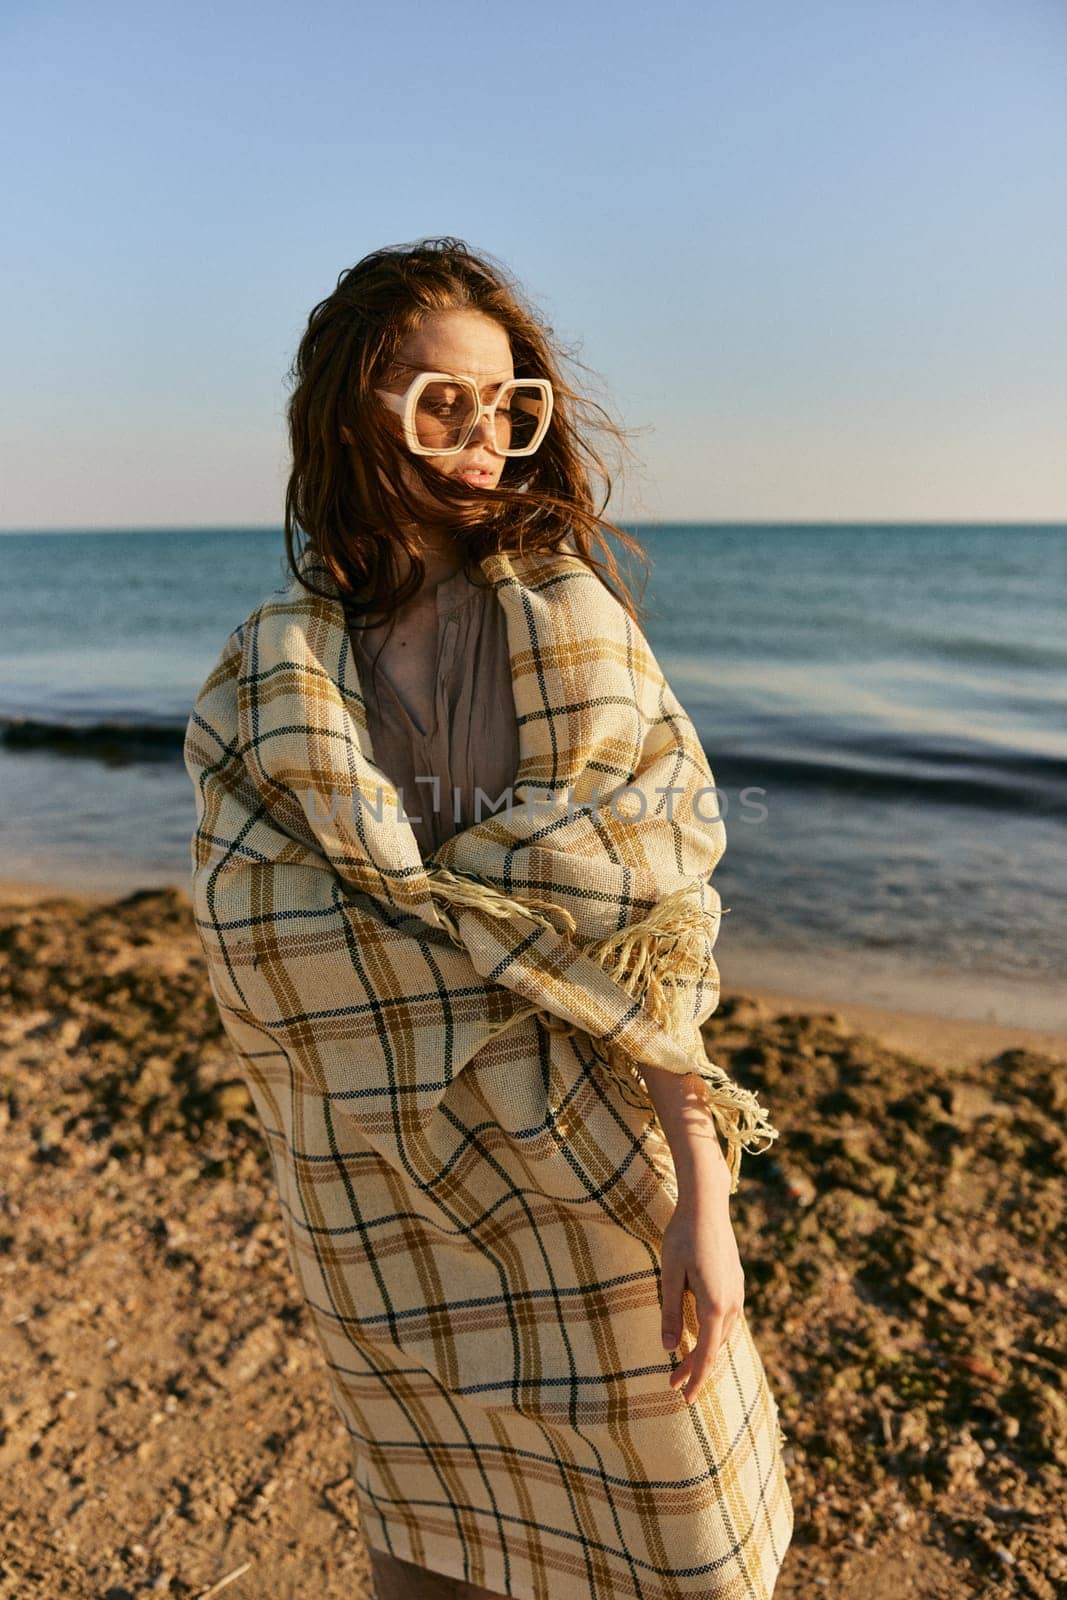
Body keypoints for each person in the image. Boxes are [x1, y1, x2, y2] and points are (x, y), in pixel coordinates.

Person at [187, 237, 792, 1600]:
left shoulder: (572, 621)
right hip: (371, 1202)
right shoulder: (271, 672)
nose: (484, 441)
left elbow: (655, 934)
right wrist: (429, 959)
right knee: (425, 1548)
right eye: (441, 404)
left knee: (681, 1548)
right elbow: (253, 933)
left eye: (509, 407)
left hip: (580, 1171)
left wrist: (707, 1199)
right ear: (354, 410)